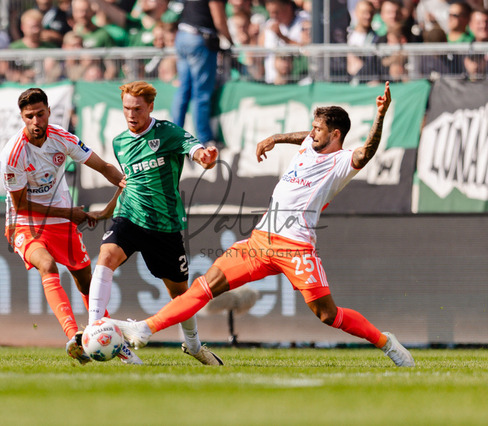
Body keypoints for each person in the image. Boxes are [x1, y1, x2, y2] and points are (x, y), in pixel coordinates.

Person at [108, 82, 416, 368]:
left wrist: (380, 115)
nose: (311, 133)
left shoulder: (342, 162)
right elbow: (304, 136)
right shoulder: (310, 144)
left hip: (296, 248)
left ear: (335, 134)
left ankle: (385, 342)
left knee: (327, 314)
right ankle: (145, 328)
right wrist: (276, 138)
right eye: (312, 127)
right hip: (261, 241)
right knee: (206, 285)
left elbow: (367, 150)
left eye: (318, 129)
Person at [86, 81, 224, 366]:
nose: (131, 114)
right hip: (129, 216)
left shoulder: (168, 132)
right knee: (106, 256)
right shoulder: (119, 142)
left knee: (180, 294)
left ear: (150, 107)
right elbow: (128, 182)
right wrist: (108, 210)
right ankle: (93, 329)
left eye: (137, 109)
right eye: (126, 108)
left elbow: (196, 151)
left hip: (165, 225)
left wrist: (206, 158)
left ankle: (193, 345)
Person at [0, 88, 125, 365]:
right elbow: (21, 205)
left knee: (86, 280)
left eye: (40, 114)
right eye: (29, 116)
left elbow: (103, 166)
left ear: (48, 112)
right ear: (22, 117)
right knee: (47, 265)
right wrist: (70, 213)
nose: (36, 121)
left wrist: (124, 182)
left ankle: (108, 338)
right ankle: (74, 338)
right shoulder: (13, 154)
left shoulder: (61, 138)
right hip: (24, 223)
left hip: (61, 220)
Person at [171, 0, 234, 146]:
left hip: (183, 36)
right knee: (201, 93)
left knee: (183, 90)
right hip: (200, 38)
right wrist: (231, 42)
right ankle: (204, 139)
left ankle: (174, 137)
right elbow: (219, 19)